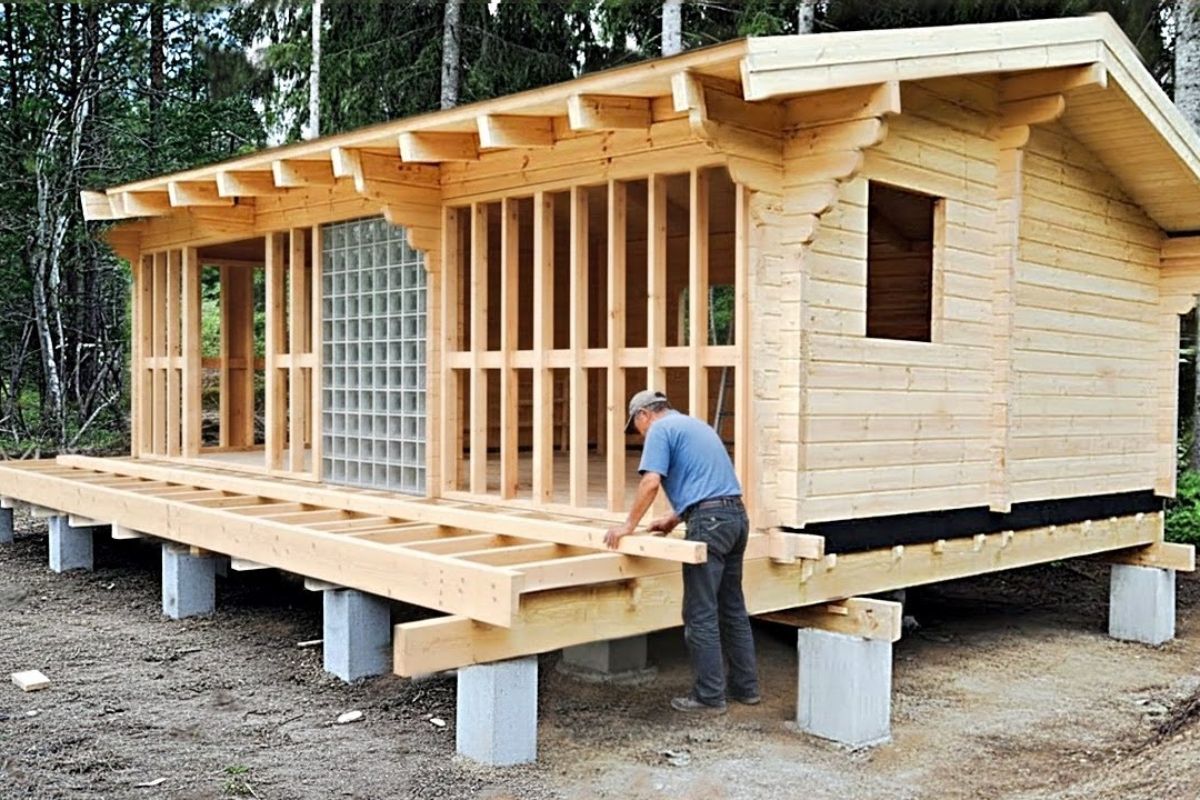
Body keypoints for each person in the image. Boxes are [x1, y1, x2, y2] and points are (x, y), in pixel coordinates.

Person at [604, 389, 760, 714]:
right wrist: (675, 518)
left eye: (636, 426)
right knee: (732, 608)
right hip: (735, 519)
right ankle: (746, 689)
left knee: (700, 613)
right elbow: (708, 483)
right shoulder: (695, 425)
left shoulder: (660, 430)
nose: (640, 433)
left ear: (644, 414)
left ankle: (709, 696)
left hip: (710, 524)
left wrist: (628, 526)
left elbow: (650, 482)